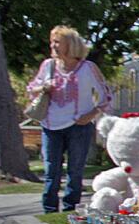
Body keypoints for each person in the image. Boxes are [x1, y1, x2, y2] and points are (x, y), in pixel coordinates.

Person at [25, 26, 112, 213]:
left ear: (70, 44)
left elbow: (106, 96)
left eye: (57, 42)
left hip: (78, 126)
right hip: (50, 125)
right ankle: (49, 209)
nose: (53, 45)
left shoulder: (88, 68)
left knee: (75, 170)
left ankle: (70, 208)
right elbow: (31, 88)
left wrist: (90, 115)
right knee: (51, 171)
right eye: (52, 41)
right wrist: (43, 88)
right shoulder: (48, 66)